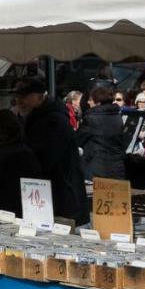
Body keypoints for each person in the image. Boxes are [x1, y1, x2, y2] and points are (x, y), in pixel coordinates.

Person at [13, 76, 89, 224]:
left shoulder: (53, 120)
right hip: (46, 196)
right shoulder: (35, 117)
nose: (19, 101)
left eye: (25, 96)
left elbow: (44, 160)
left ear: (40, 96)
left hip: (59, 197)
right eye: (17, 97)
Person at [77, 85, 128, 181]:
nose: (88, 102)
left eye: (91, 100)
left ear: (98, 103)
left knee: (96, 196)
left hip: (97, 168)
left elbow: (77, 140)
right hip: (116, 168)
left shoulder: (91, 118)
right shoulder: (118, 117)